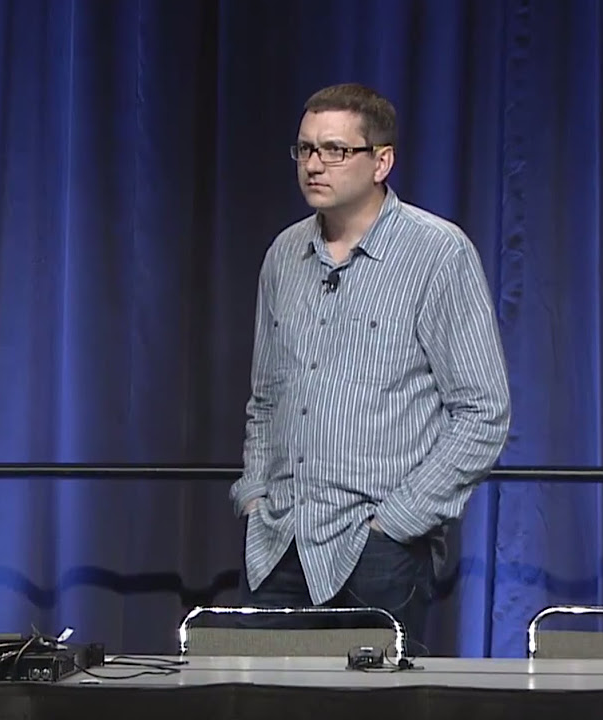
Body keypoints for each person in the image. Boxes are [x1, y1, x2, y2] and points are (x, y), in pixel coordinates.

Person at [228, 83, 511, 651]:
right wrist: (255, 496)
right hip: (279, 544)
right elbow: (266, 399)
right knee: (257, 692)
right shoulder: (284, 255)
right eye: (305, 149)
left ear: (382, 161)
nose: (314, 164)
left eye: (335, 150)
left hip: (378, 552)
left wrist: (398, 521)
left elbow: (484, 411)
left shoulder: (437, 253)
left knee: (374, 697)